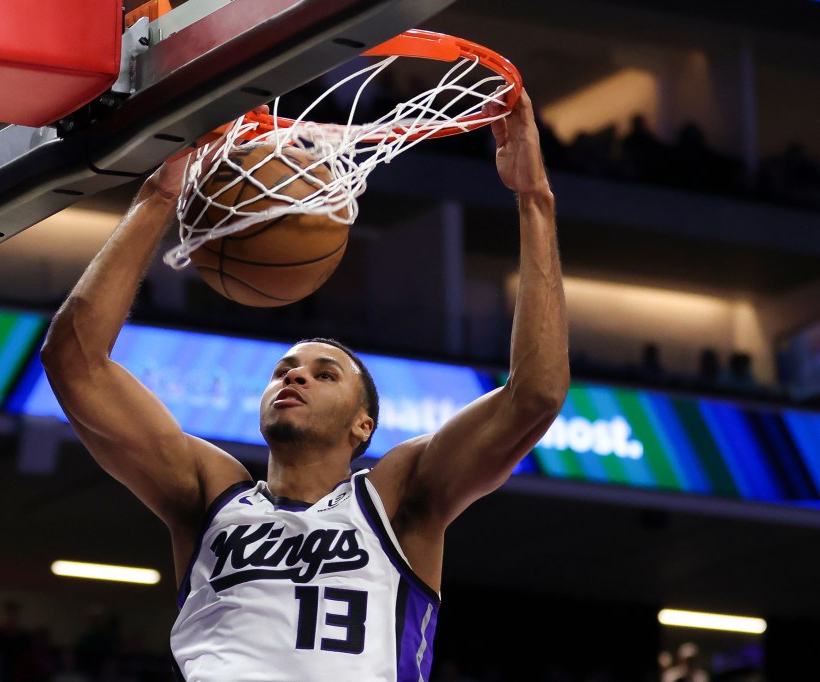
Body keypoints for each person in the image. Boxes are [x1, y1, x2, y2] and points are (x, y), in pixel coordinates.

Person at [41, 89, 568, 681]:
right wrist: (159, 195)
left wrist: (534, 197)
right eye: (284, 369)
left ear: (361, 426)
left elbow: (536, 396)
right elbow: (74, 360)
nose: (294, 375)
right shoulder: (209, 493)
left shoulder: (396, 500)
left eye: (325, 373)